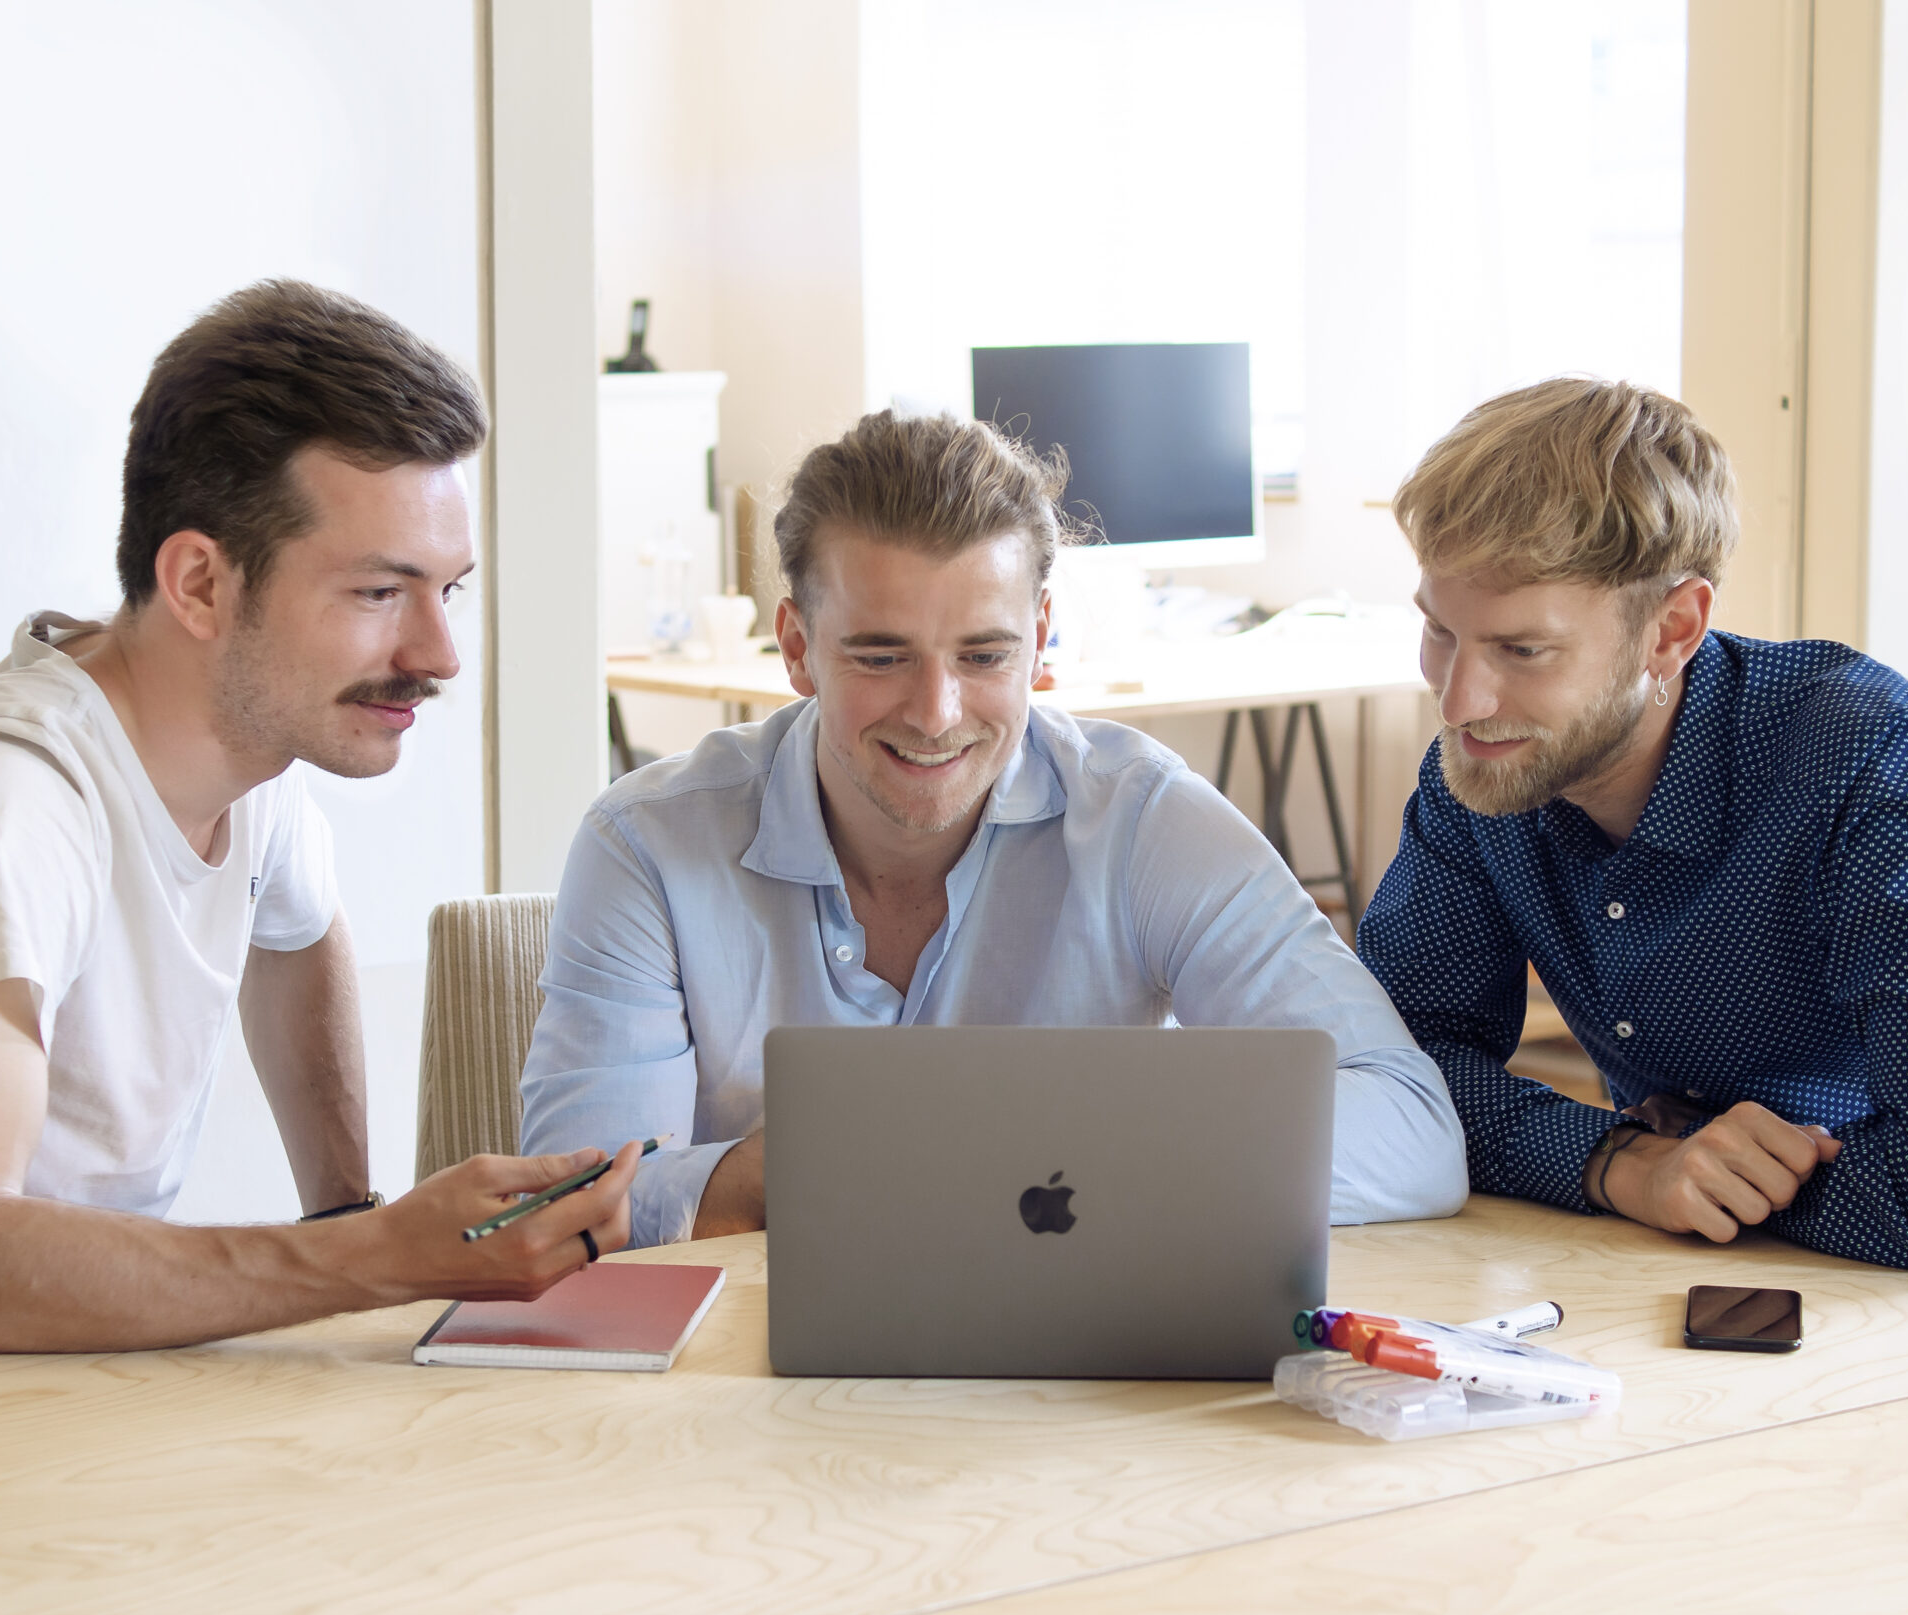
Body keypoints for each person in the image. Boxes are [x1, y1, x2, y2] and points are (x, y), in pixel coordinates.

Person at [0, 281, 641, 1387]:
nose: (438, 653)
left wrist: (345, 1205)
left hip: (68, 1397)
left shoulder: (254, 763)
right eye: (382, 592)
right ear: (199, 581)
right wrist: (369, 1255)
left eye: (449, 590)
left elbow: (298, 939)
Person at [519, 410, 1467, 1247]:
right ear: (798, 648)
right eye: (882, 655)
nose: (936, 712)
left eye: (984, 655)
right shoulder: (645, 844)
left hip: (1068, 1389)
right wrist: (920, 1158)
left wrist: (1029, 1154)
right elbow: (570, 1206)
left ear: (1042, 641)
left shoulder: (1144, 819)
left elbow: (1412, 1133)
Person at [1353, 377, 1908, 1296]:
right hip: (1736, 1297)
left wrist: (1692, 1172)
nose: (1459, 701)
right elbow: (1395, 1076)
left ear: (1671, 629)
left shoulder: (1874, 770)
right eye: (1439, 632)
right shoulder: (1487, 770)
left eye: (1521, 650)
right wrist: (1625, 1163)